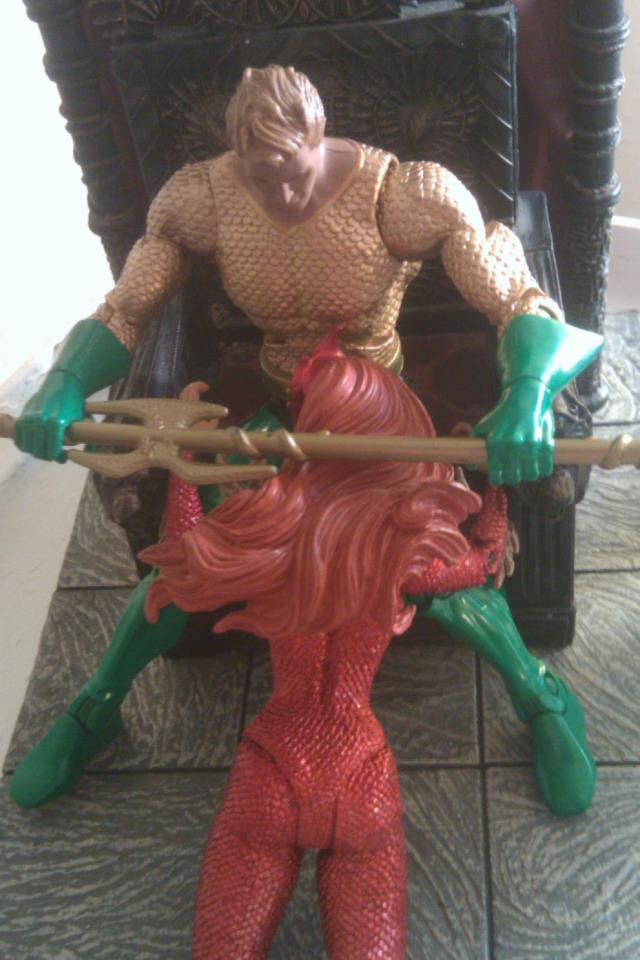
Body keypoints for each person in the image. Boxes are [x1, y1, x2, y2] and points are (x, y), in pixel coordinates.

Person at [10, 65, 600, 814]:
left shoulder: (400, 194)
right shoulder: (203, 199)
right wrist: (65, 379)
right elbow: (127, 307)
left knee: (434, 571)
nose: (281, 197)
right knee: (189, 566)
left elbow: (518, 298)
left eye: (292, 174)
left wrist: (529, 393)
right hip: (280, 416)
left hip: (379, 414)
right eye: (261, 178)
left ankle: (539, 696)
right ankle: (96, 708)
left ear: (319, 138)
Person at [139, 345, 591, 959]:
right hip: (360, 773)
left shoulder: (264, 539)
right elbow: (487, 559)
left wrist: (182, 454)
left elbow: (184, 551)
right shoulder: (404, 556)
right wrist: (496, 481)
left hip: (271, 765)